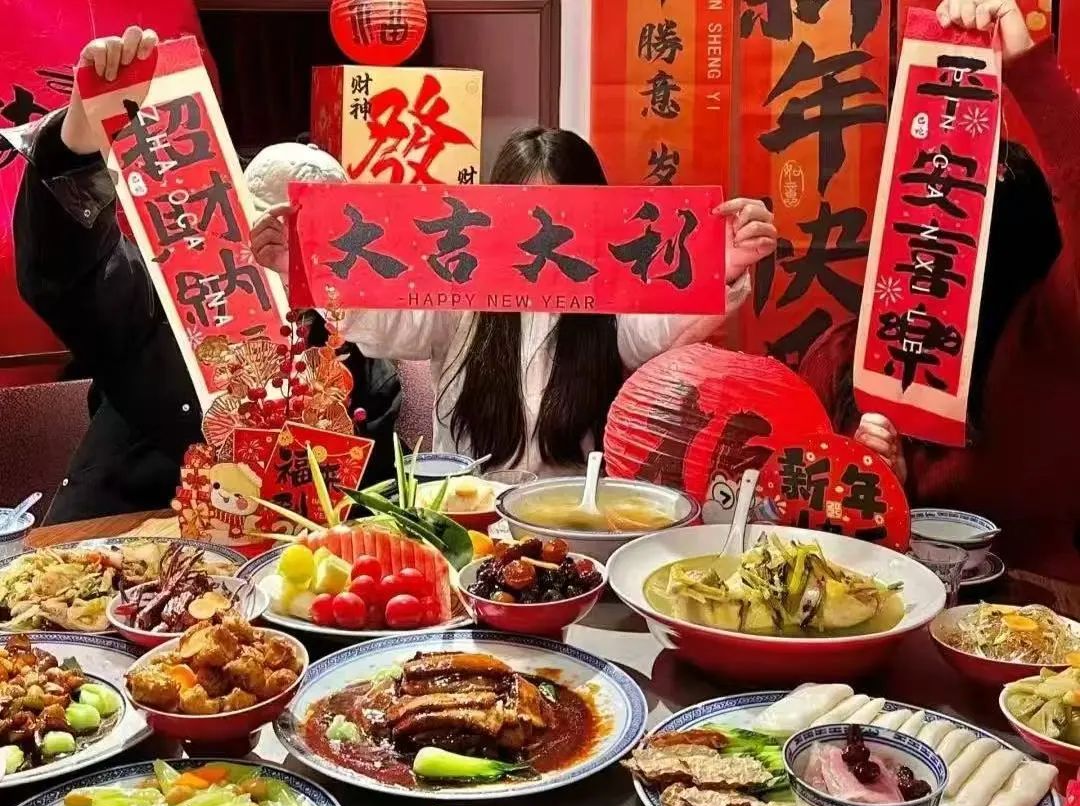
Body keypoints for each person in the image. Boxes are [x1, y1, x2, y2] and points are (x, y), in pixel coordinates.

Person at [5, 27, 402, 524]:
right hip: (123, 543)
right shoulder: (168, 301)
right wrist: (78, 145)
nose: (287, 253)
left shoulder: (360, 353)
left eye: (316, 237)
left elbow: (370, 509)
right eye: (268, 231)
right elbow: (67, 274)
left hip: (278, 562)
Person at [252, 128, 778, 476]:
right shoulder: (456, 282)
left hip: (574, 514)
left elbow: (659, 332)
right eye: (523, 213)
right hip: (468, 509)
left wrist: (723, 265)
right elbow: (385, 323)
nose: (540, 234)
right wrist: (307, 267)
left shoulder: (613, 294)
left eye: (562, 216)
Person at [800, 0, 1080, 608]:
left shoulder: (1052, 337)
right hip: (887, 610)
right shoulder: (845, 356)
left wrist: (1028, 69)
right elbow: (797, 520)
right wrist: (877, 486)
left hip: (1041, 628)